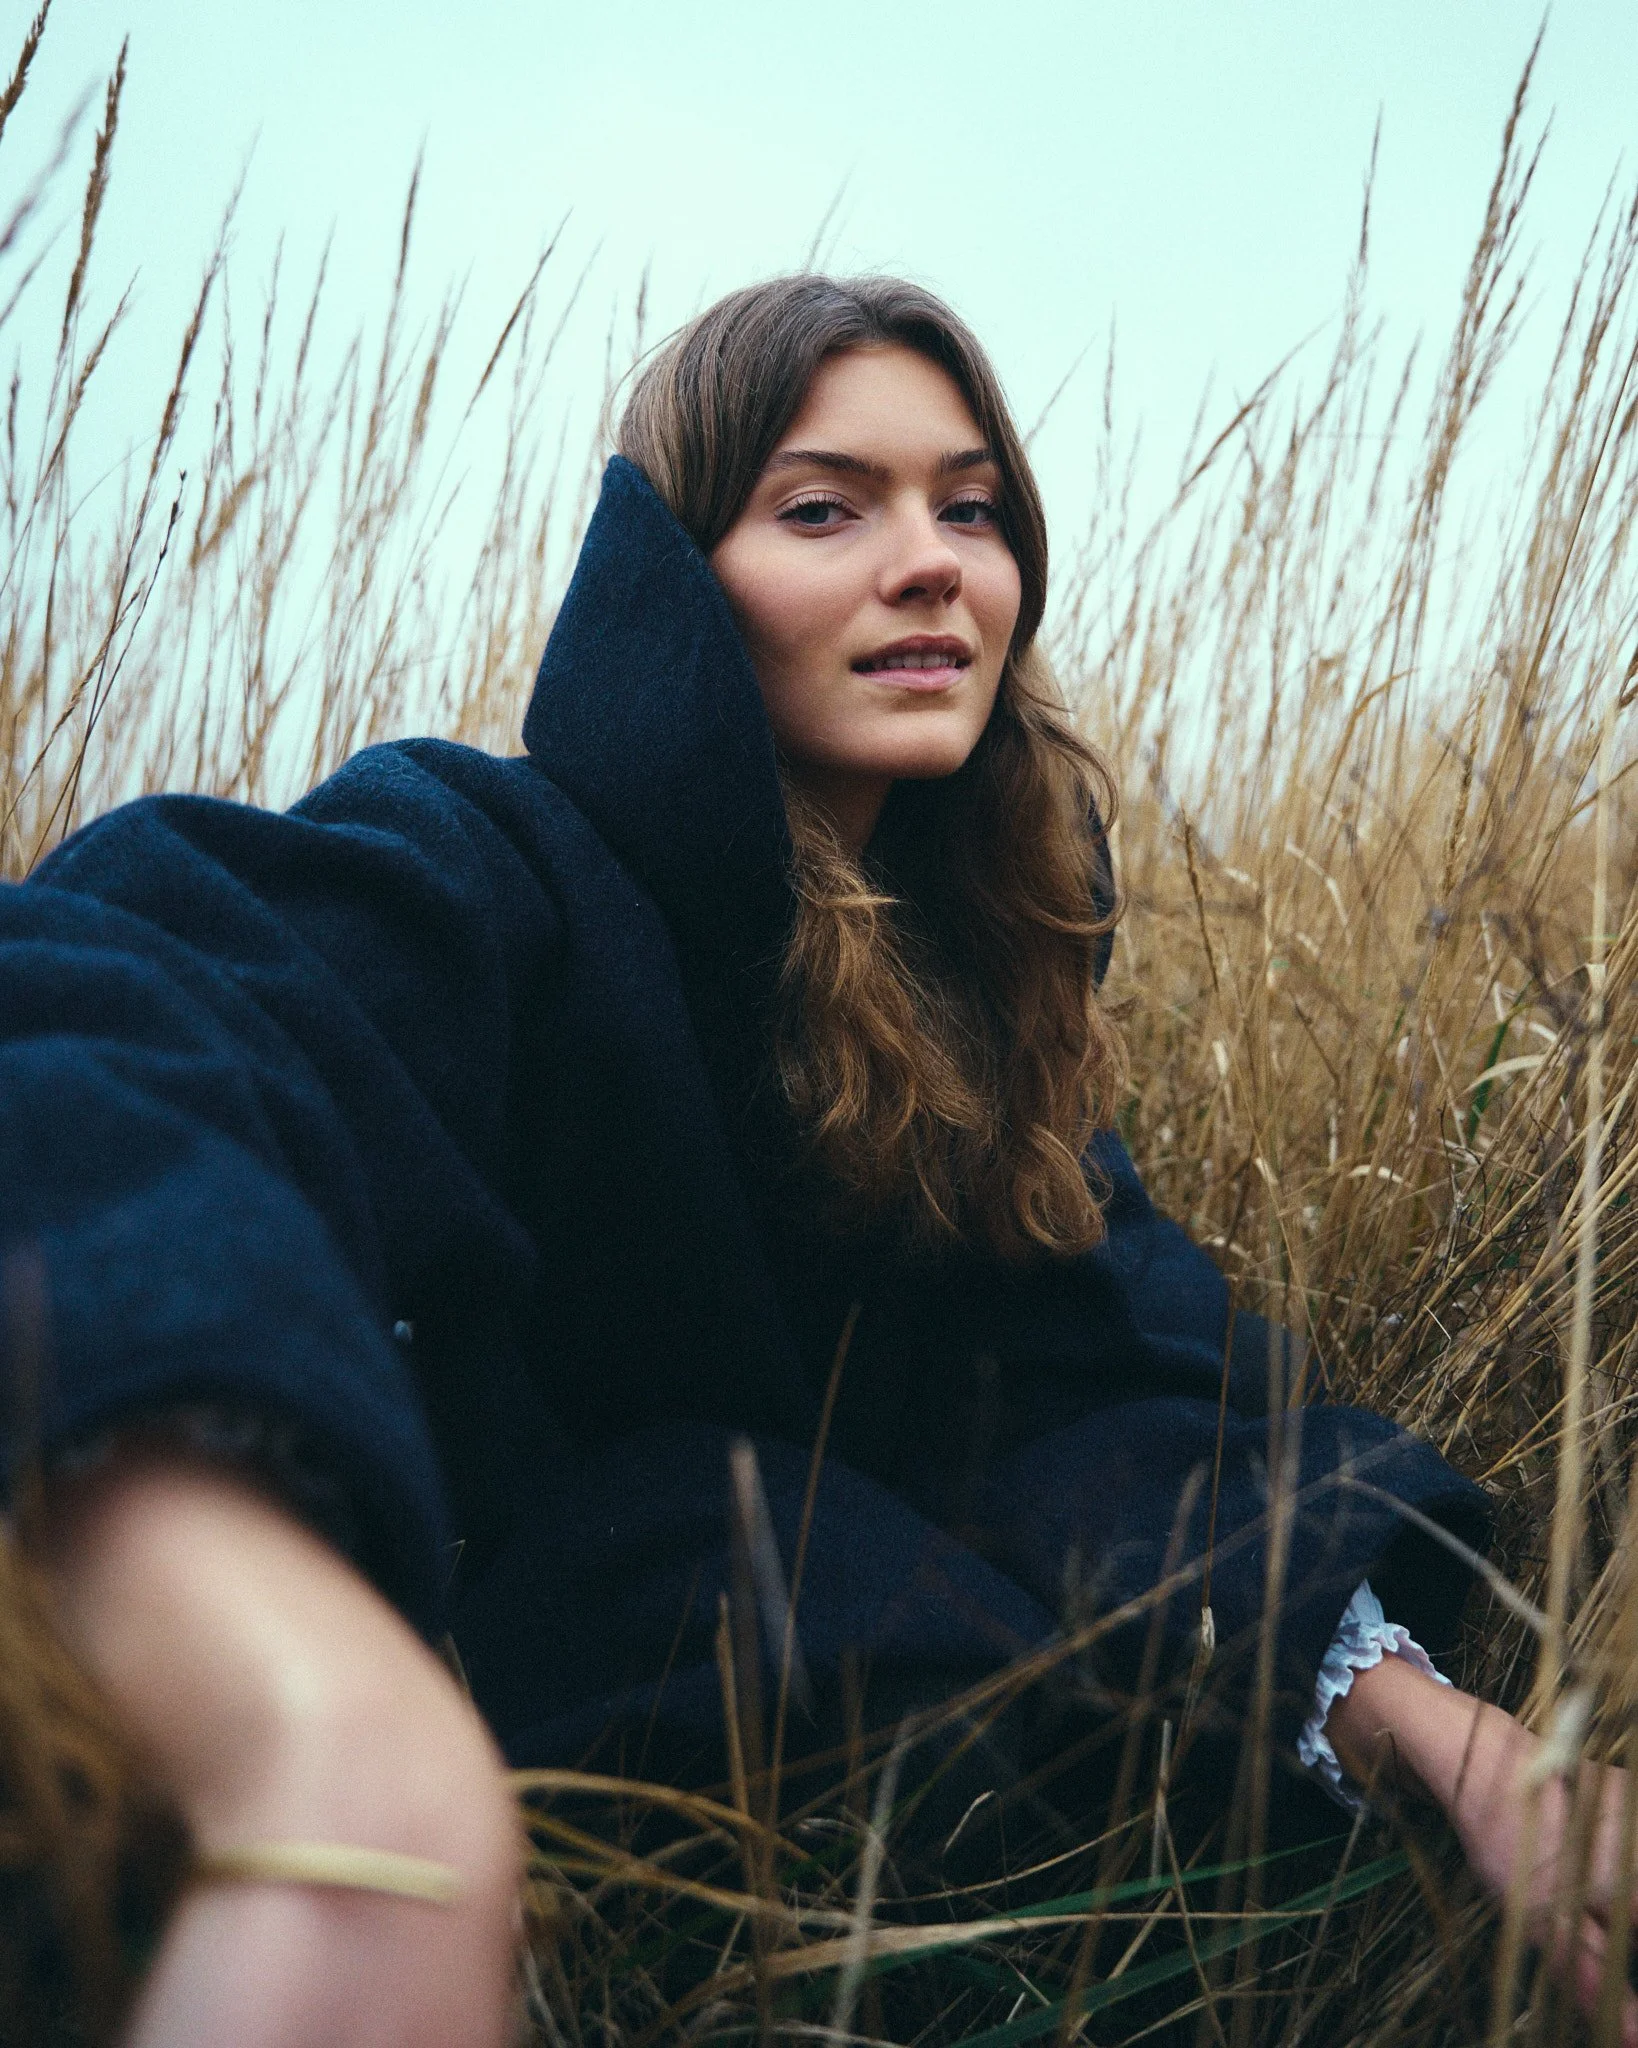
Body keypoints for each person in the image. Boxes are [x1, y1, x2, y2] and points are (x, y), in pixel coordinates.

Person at [7, 275, 1635, 2047]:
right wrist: (299, 1706)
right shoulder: (494, 861)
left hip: (878, 1892)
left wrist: (1442, 1737)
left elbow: (1104, 1380)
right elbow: (118, 1020)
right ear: (669, 580)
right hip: (419, 1793)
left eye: (971, 505)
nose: (932, 560)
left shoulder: (985, 984)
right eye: (821, 507)